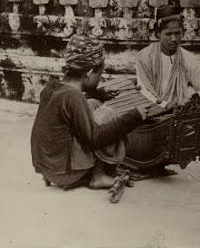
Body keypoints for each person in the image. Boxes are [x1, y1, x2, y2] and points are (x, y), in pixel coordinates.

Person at [31, 34, 147, 190]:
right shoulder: (74, 96)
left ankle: (79, 173)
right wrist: (134, 116)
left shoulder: (52, 86)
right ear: (89, 72)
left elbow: (72, 108)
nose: (100, 78)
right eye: (99, 74)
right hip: (64, 174)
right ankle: (98, 176)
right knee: (107, 113)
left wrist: (98, 94)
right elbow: (95, 137)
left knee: (92, 103)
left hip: (47, 167)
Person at [136, 5, 200, 137]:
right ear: (158, 34)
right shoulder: (144, 57)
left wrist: (189, 100)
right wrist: (166, 105)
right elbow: (144, 91)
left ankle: (177, 131)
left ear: (182, 32)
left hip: (180, 112)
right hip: (154, 111)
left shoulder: (188, 58)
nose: (174, 39)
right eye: (168, 34)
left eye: (177, 33)